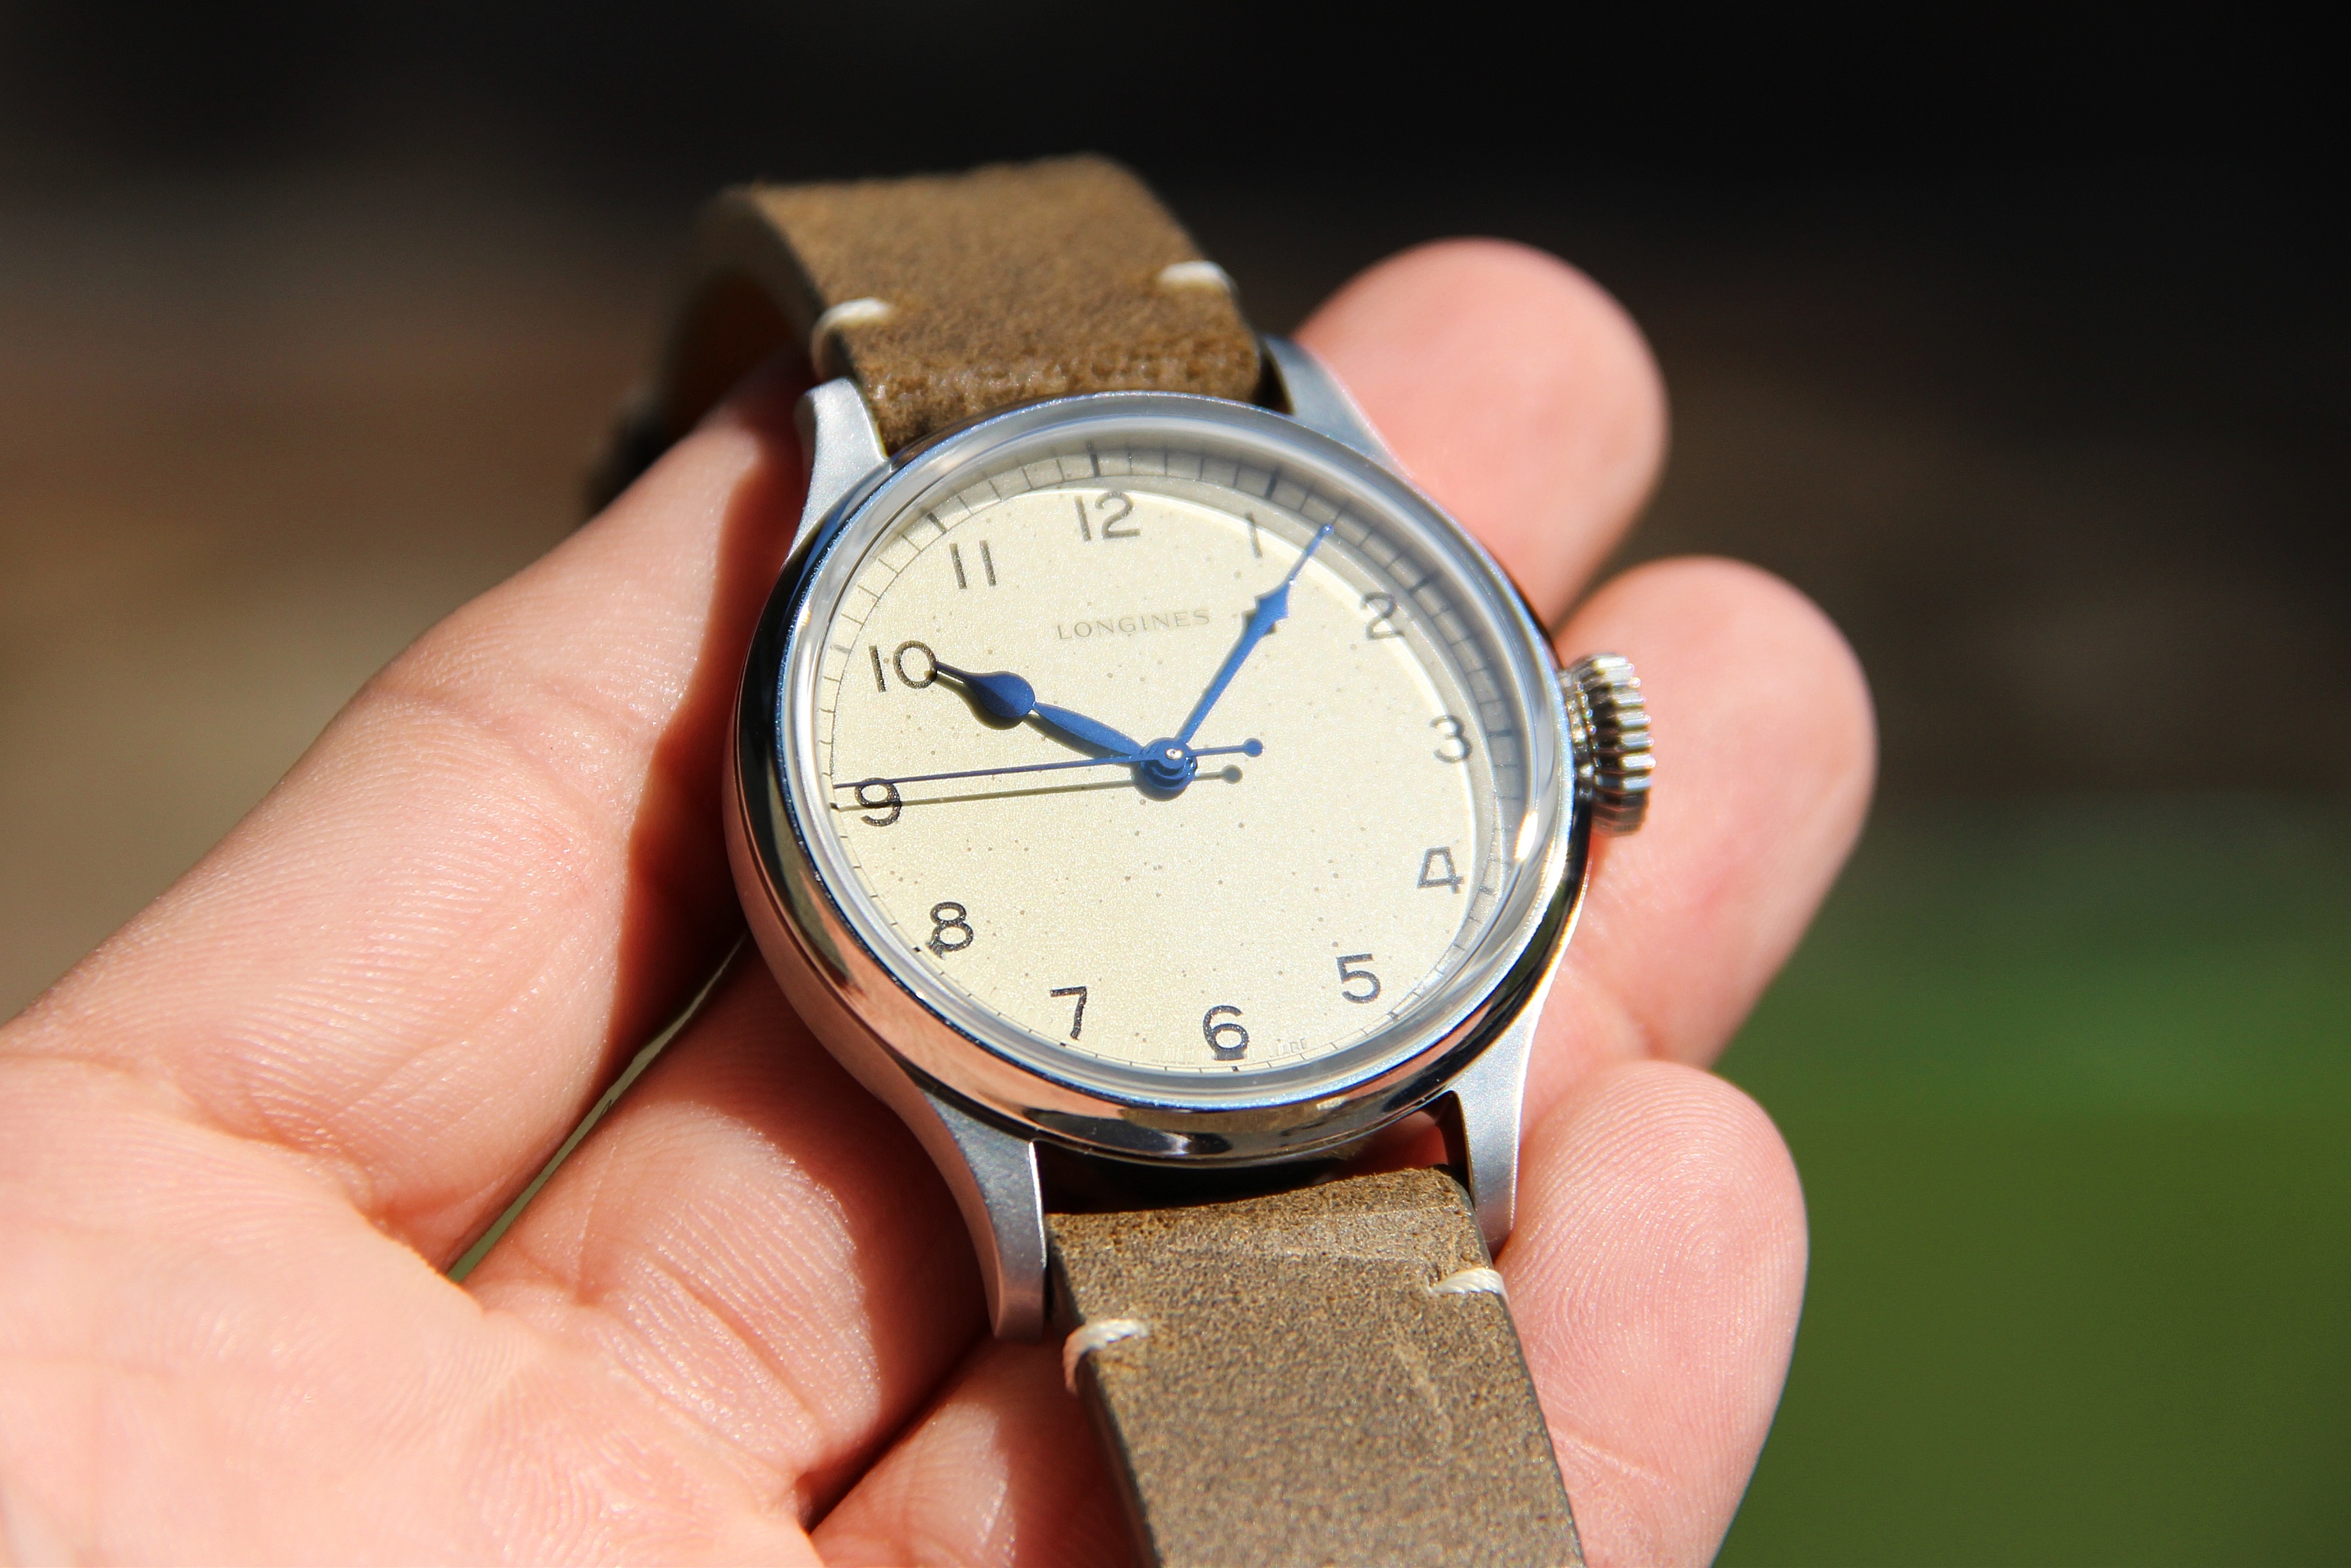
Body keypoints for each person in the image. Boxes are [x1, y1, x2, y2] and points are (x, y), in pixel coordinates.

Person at [0, 238, 1872, 1564]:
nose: (1162, 766)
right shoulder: (882, 518)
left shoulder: (1336, 524)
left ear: (1577, 744)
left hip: (1406, 1056)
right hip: (1061, 1119)